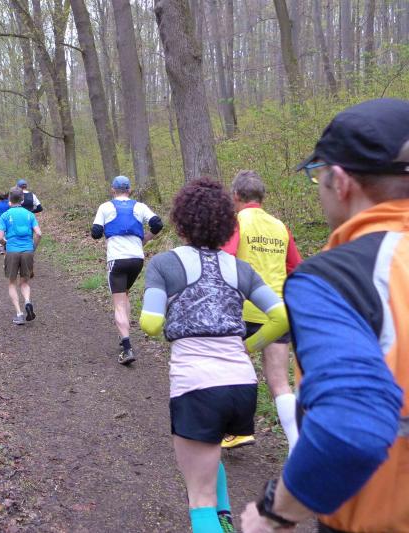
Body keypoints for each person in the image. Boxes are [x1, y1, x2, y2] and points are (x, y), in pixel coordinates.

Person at [240, 99, 409, 533]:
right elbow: (293, 261)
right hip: (282, 308)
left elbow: (352, 425)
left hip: (379, 516)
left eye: (318, 176)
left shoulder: (342, 275)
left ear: (342, 181)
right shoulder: (281, 228)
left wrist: (276, 512)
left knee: (272, 381)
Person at [140, 179, 288, 533]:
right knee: (210, 455)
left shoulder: (164, 264)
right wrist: (247, 346)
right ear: (226, 223)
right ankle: (223, 523)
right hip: (241, 385)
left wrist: (169, 317)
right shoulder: (241, 269)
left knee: (199, 499)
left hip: (197, 385)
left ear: (180, 221)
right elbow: (281, 316)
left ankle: (212, 522)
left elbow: (150, 323)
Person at [220, 171, 303, 452]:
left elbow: (226, 258)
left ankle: (238, 431)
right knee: (279, 381)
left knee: (234, 370)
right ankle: (296, 446)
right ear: (262, 197)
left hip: (243, 311)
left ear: (235, 196)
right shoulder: (280, 226)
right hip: (278, 311)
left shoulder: (237, 222)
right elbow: (295, 267)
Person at [91, 175, 163, 365]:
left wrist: (107, 233)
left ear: (112, 190)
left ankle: (127, 347)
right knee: (125, 294)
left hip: (117, 259)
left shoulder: (105, 207)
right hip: (137, 259)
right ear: (129, 190)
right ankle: (124, 334)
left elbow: (95, 232)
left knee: (118, 303)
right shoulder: (140, 206)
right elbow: (158, 224)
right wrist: (145, 238)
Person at [0, 187, 42, 325]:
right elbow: (39, 234)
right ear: (22, 200)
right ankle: (27, 302)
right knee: (24, 282)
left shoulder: (5, 215)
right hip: (27, 250)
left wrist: (6, 244)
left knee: (12, 282)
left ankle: (19, 314)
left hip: (12, 251)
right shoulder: (30, 215)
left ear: (9, 200)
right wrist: (33, 247)